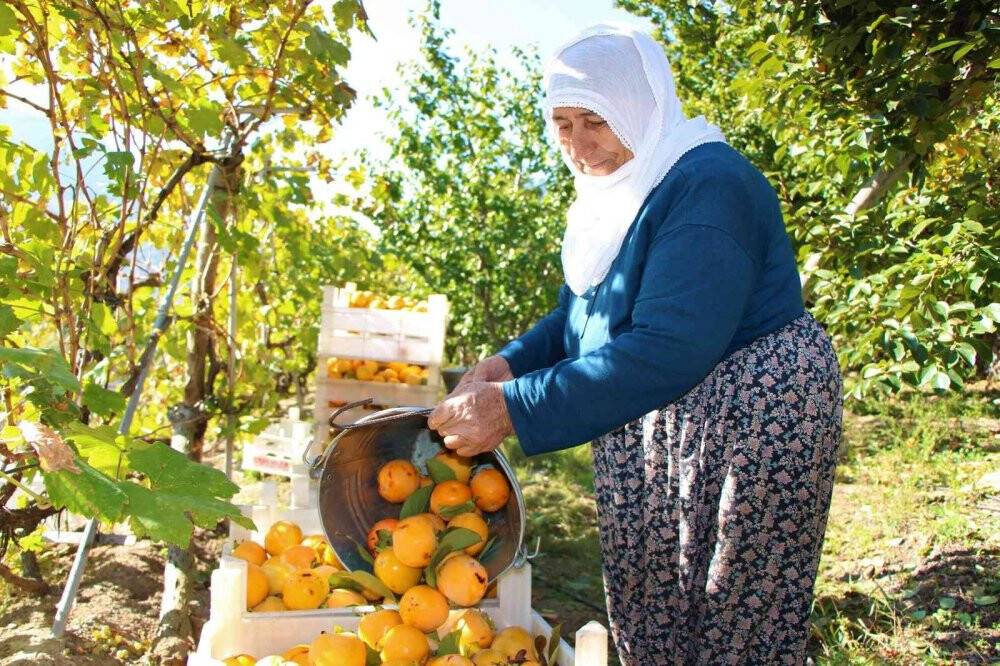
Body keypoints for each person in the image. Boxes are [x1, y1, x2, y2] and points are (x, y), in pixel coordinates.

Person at [428, 24, 842, 666]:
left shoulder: (707, 185)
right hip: (658, 410)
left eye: (595, 119)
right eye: (561, 123)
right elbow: (580, 315)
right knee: (655, 613)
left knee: (733, 617)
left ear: (639, 108)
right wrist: (505, 364)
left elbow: (672, 345)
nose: (578, 144)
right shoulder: (617, 195)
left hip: (748, 413)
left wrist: (514, 405)